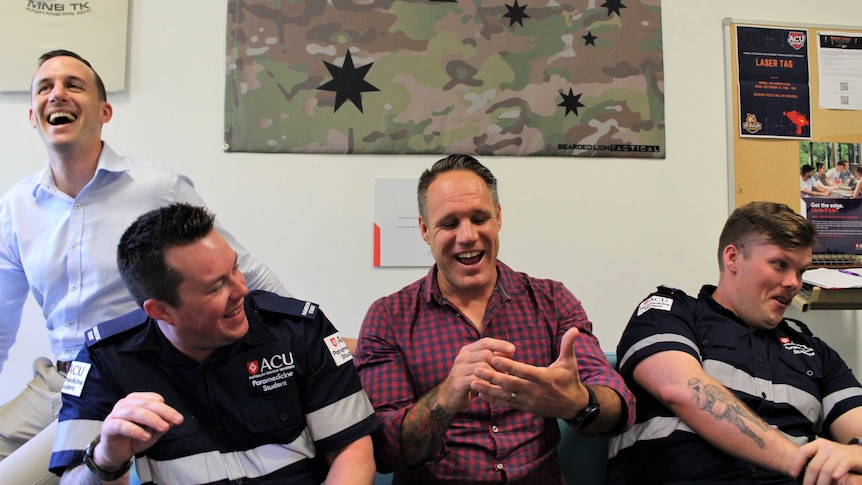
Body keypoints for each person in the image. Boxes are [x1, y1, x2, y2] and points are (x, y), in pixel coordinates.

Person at [0, 50, 288, 484]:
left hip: (125, 381)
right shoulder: (18, 206)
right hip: (55, 381)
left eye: (73, 85)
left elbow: (239, 271)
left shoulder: (157, 188)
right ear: (33, 114)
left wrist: (312, 338)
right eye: (45, 87)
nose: (57, 94)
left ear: (104, 110)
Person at [49, 203, 377, 484]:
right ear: (161, 310)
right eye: (216, 287)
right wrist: (107, 456)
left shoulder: (299, 330)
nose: (241, 291)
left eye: (235, 268)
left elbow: (352, 451)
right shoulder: (106, 361)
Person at [355, 155, 635, 484]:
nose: (468, 236)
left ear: (498, 217)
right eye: (449, 223)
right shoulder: (388, 318)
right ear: (425, 230)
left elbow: (621, 408)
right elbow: (386, 452)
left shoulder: (552, 301)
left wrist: (577, 402)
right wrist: (445, 397)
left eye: (479, 218)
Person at [607, 201, 862, 484]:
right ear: (733, 258)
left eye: (800, 271)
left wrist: (855, 456)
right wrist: (802, 464)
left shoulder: (814, 350)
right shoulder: (669, 311)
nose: (794, 283)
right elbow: (681, 390)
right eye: (780, 264)